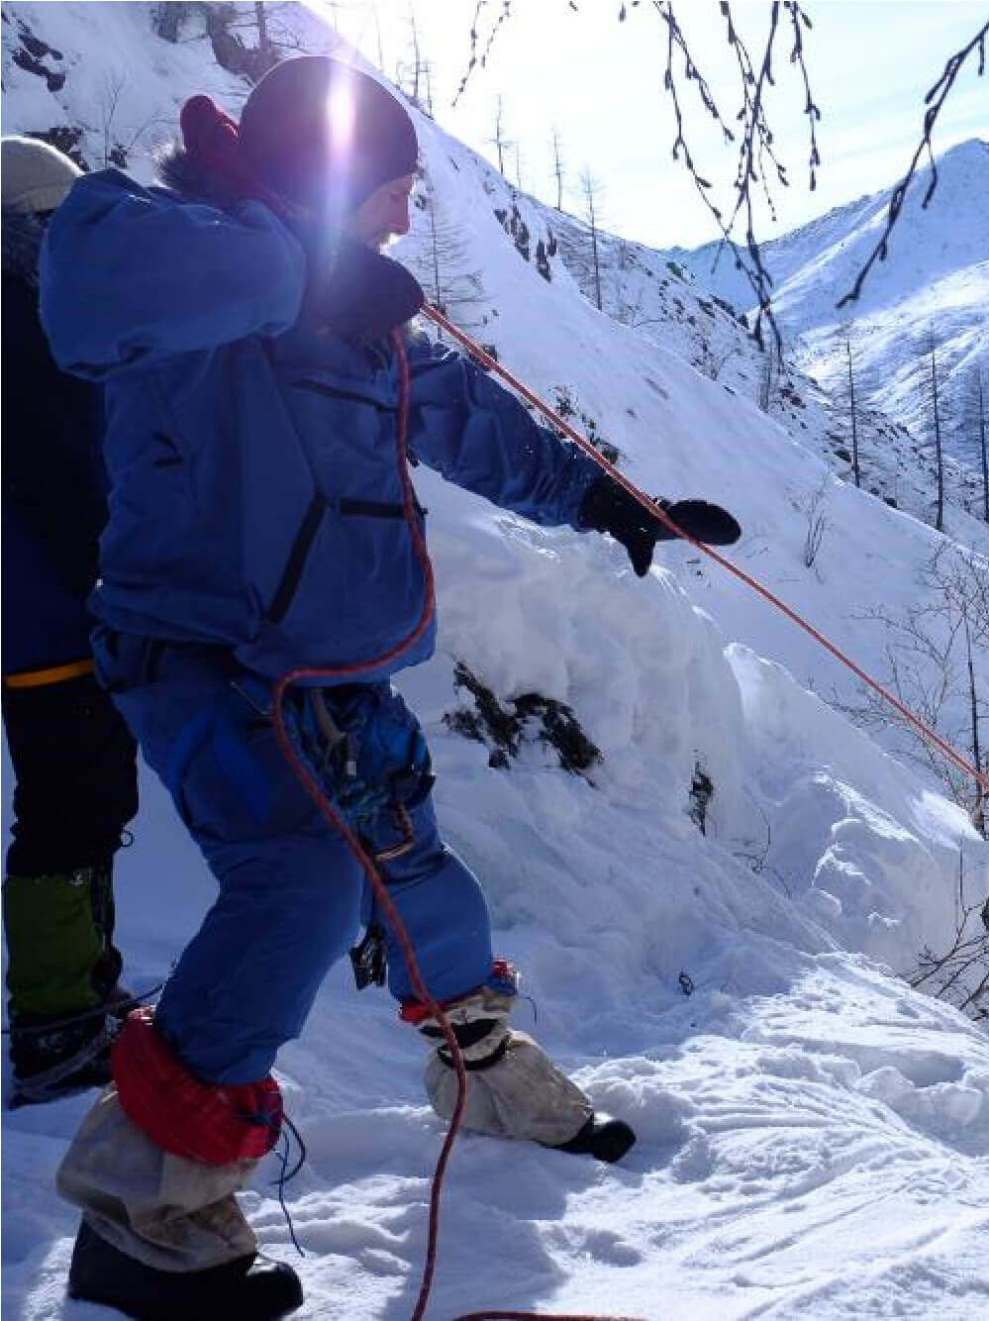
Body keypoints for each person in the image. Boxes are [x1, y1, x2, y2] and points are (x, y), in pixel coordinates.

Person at [36, 57, 737, 1319]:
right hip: (213, 664)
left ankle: (482, 1076)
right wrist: (295, 262)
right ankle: (146, 1224)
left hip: (341, 678)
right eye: (394, 193)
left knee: (423, 883)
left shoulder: (359, 320)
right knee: (297, 882)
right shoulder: (160, 241)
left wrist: (600, 498)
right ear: (334, 178)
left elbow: (464, 411)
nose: (405, 223)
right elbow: (84, 297)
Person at [1, 135, 142, 1108]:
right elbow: (62, 476)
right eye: (52, 225)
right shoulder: (24, 324)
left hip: (35, 609)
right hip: (47, 612)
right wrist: (109, 578)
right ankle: (57, 1022)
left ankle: (81, 996)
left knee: (81, 797)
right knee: (73, 799)